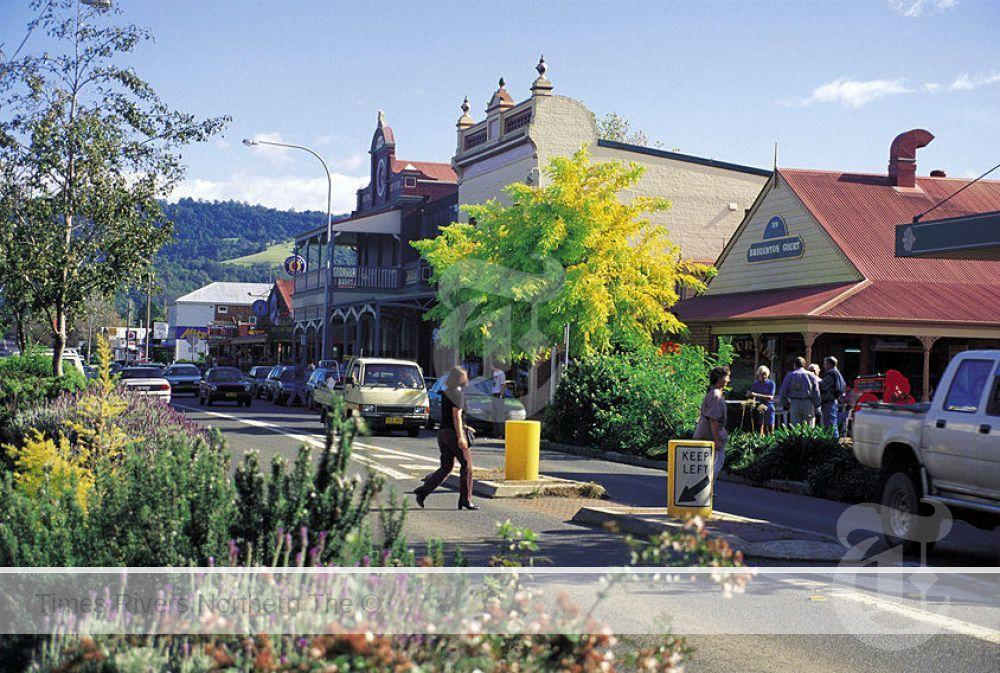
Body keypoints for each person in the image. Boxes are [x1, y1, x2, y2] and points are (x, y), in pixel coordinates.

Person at [413, 366, 479, 511]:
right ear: (462, 379)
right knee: (467, 465)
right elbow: (456, 416)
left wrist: (466, 427)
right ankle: (466, 499)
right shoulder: (458, 395)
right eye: (465, 377)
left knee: (446, 467)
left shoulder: (446, 392)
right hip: (453, 434)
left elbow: (450, 416)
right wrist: (461, 437)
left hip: (443, 432)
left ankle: (423, 492)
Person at [693, 365, 730, 480]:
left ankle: (706, 491)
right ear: (720, 379)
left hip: (704, 435)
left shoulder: (712, 393)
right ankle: (706, 490)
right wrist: (716, 440)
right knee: (716, 464)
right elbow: (713, 420)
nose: (729, 380)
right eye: (727, 377)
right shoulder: (716, 396)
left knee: (708, 465)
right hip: (709, 437)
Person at [777, 357, 821, 426]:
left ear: (795, 365)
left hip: (794, 403)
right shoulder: (811, 375)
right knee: (809, 426)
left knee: (795, 427)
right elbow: (816, 391)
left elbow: (783, 391)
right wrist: (817, 405)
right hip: (808, 403)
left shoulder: (790, 375)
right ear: (804, 365)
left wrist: (785, 403)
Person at [820, 356, 847, 438]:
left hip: (829, 402)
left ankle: (834, 444)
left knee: (830, 424)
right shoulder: (837, 373)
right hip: (833, 401)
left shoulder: (831, 374)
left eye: (825, 364)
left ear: (829, 364)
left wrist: (816, 381)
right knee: (832, 423)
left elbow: (822, 385)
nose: (824, 366)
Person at [749, 365, 776, 435]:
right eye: (761, 373)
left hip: (769, 405)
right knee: (760, 427)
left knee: (770, 428)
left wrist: (757, 395)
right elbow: (753, 395)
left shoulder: (771, 383)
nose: (763, 375)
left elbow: (770, 397)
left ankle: (771, 437)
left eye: (765, 374)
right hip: (759, 406)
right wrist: (751, 396)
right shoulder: (756, 384)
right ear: (758, 374)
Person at [490, 363, 507, 437]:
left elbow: (503, 384)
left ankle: (501, 433)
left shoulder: (501, 373)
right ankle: (495, 432)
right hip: (494, 394)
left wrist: (501, 394)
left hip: (498, 394)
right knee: (494, 414)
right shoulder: (494, 373)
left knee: (500, 414)